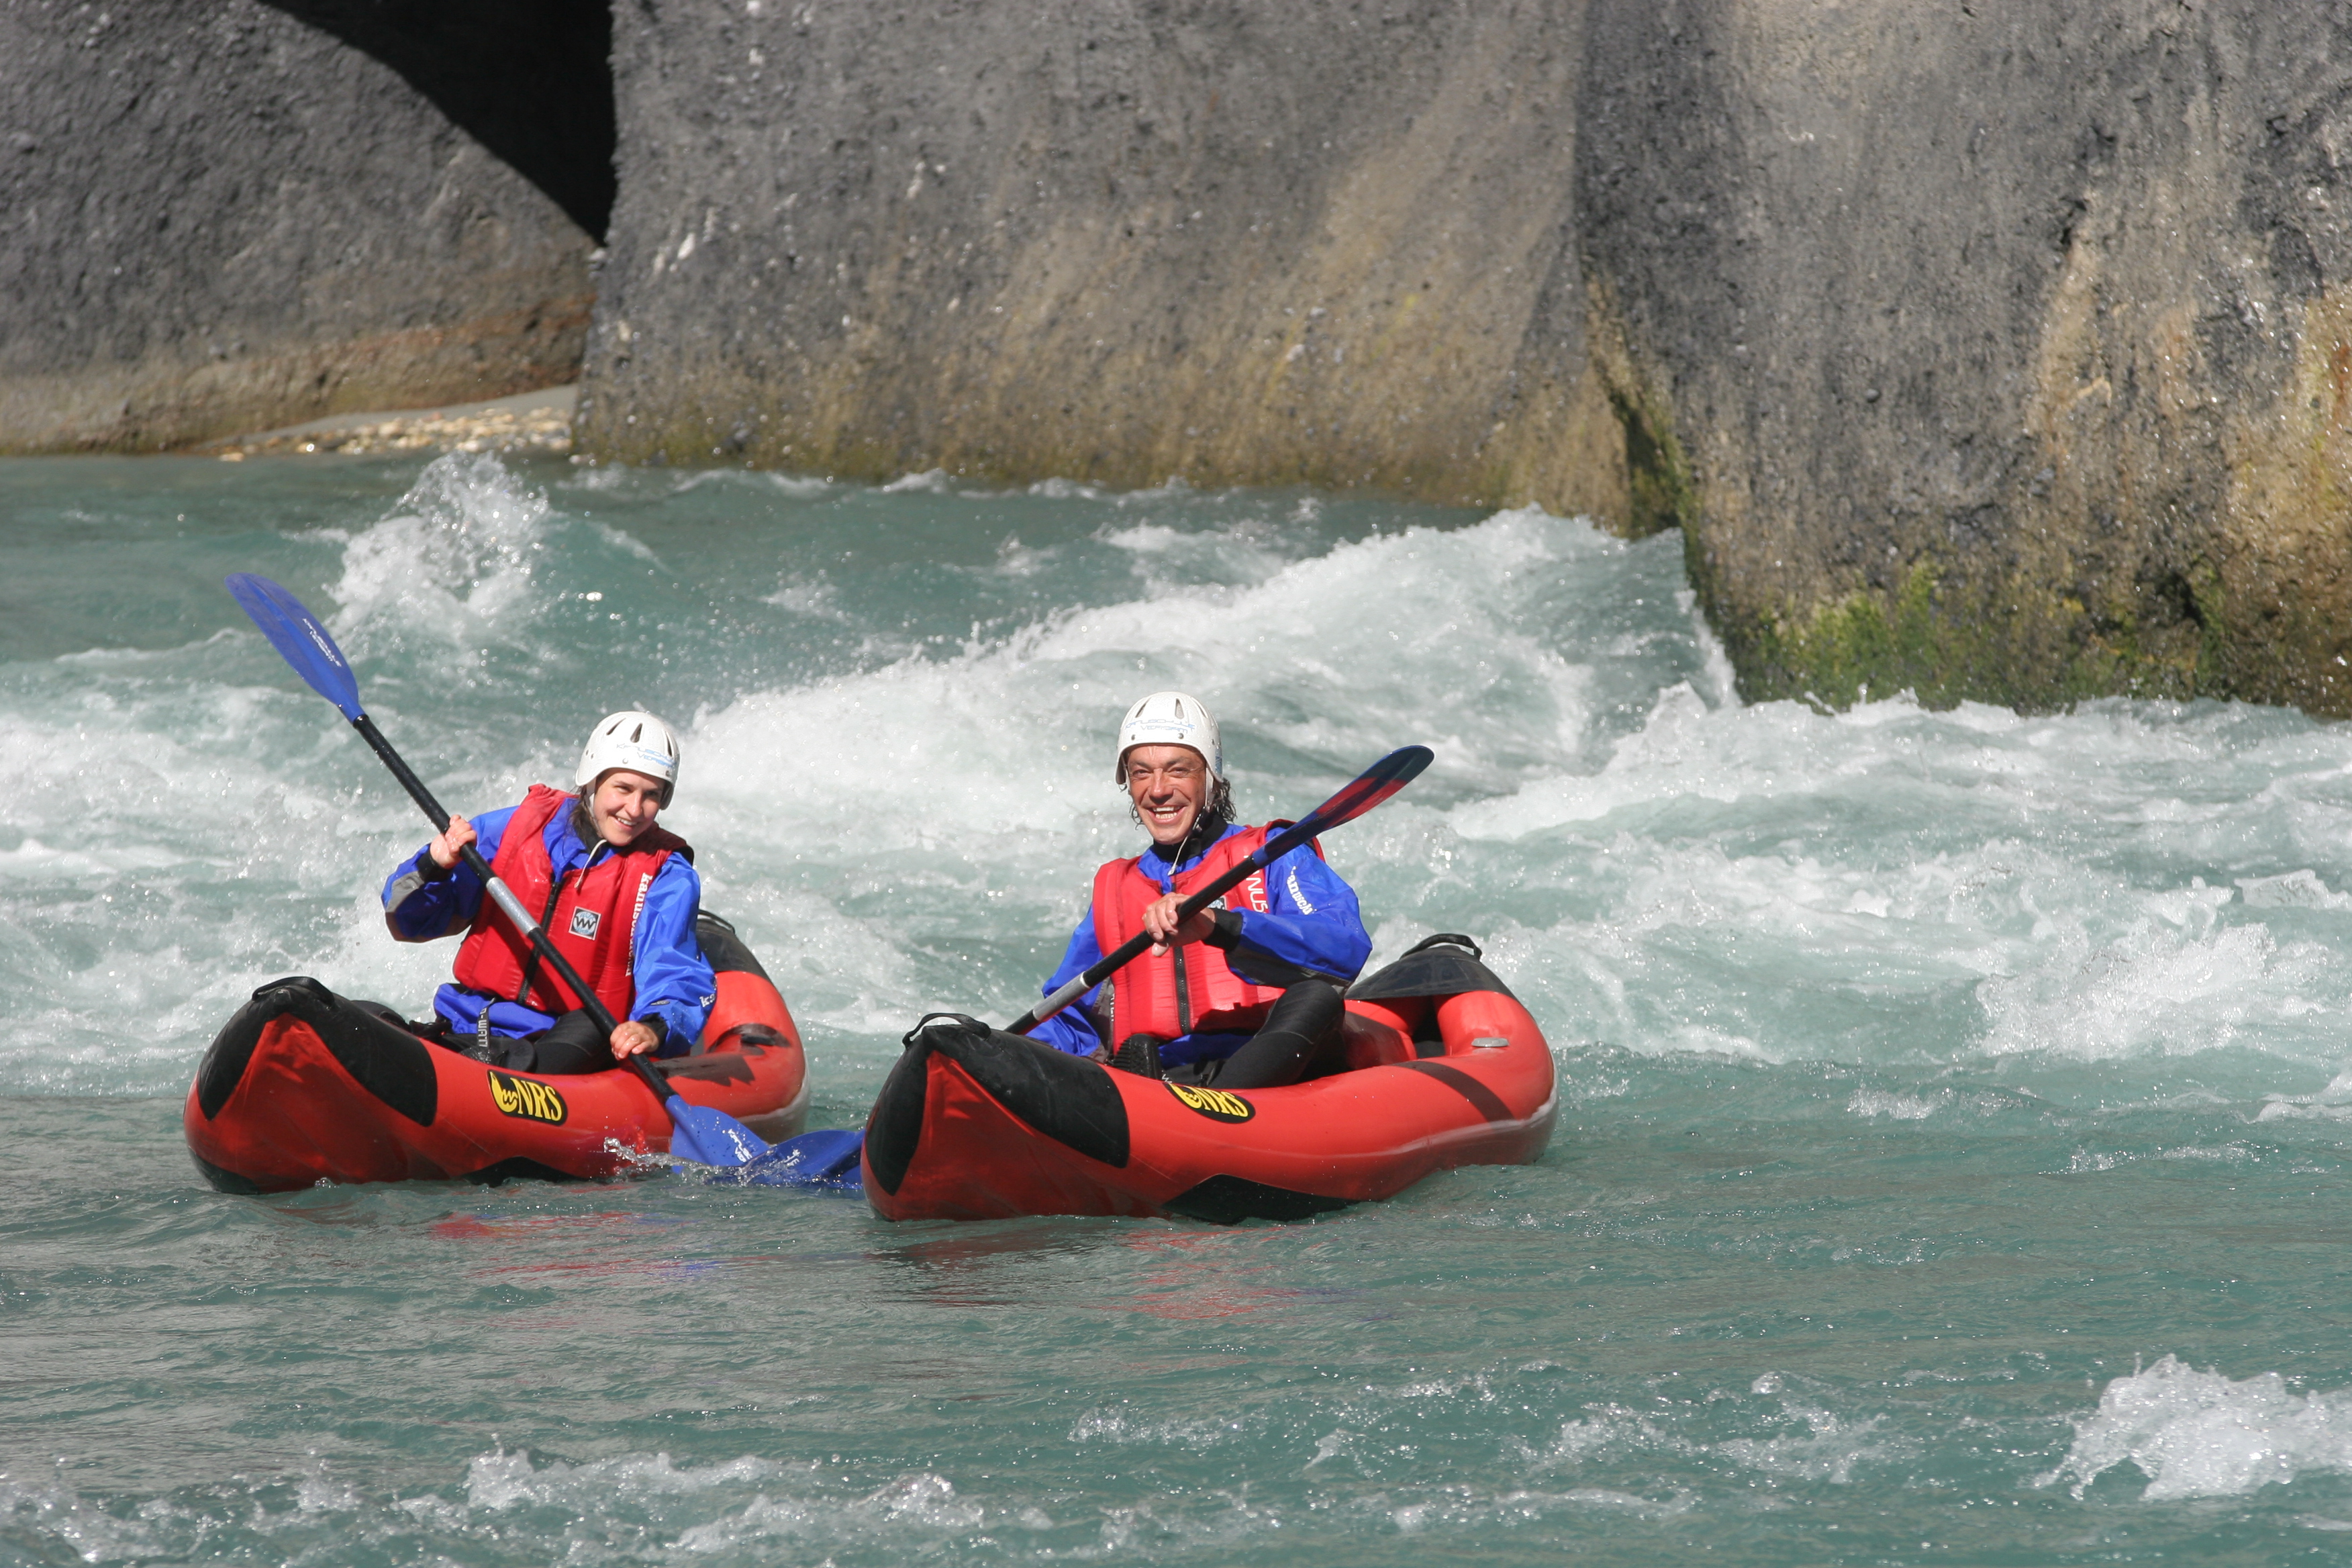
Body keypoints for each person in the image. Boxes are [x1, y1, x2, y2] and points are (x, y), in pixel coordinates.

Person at [1029, 691, 1372, 1089]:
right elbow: (1068, 1017)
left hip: (1276, 1070)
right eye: (1141, 773)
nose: (1157, 790)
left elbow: (1343, 949)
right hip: (1162, 1083)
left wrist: (1220, 926)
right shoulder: (1116, 887)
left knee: (1317, 998)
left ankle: (1229, 1106)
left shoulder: (1275, 853)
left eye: (1177, 770)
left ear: (1211, 778)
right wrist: (1000, 1055)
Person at [381, 710, 716, 1075]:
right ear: (592, 780)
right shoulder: (513, 830)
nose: (634, 809)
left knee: (591, 1025)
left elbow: (674, 969)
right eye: (623, 788)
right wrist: (435, 865)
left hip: (569, 1045)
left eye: (651, 795)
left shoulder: (666, 875)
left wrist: (654, 1027)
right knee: (360, 1014)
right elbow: (408, 922)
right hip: (472, 1026)